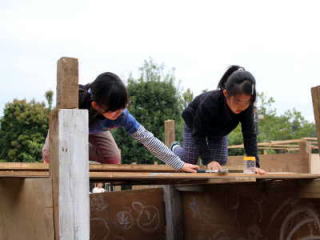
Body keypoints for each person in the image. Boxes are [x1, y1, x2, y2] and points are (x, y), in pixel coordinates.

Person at [42, 72, 199, 173]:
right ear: (96, 106)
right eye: (115, 111)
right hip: (68, 128)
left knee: (113, 159)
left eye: (123, 108)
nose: (120, 114)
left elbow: (147, 138)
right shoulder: (75, 105)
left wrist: (178, 163)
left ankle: (81, 153)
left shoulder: (123, 115)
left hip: (96, 130)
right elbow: (57, 134)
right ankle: (71, 154)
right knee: (50, 157)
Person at [171, 65, 266, 174]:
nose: (241, 107)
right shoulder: (209, 103)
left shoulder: (246, 109)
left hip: (218, 130)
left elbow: (249, 136)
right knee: (189, 160)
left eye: (247, 102)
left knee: (220, 161)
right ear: (226, 94)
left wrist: (253, 166)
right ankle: (175, 147)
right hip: (195, 124)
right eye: (237, 101)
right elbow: (198, 134)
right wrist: (209, 160)